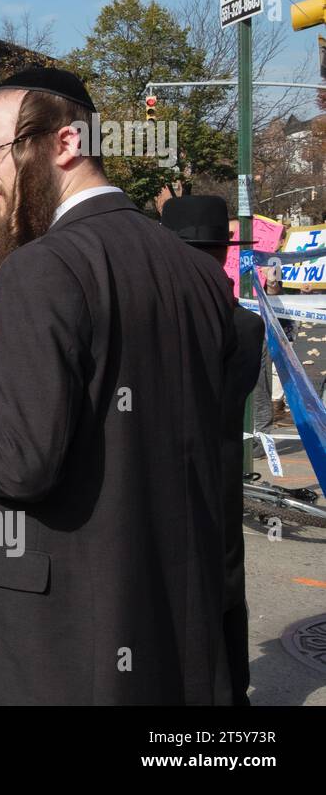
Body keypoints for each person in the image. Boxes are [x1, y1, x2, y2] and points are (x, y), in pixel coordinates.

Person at [0, 65, 241, 704]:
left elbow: (17, 462)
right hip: (165, 615)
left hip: (52, 640)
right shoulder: (200, 274)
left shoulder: (43, 267)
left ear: (64, 144)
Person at [161, 194, 262, 706]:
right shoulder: (244, 322)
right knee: (223, 581)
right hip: (218, 466)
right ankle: (228, 690)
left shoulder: (161, 323)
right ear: (224, 251)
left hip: (161, 470)